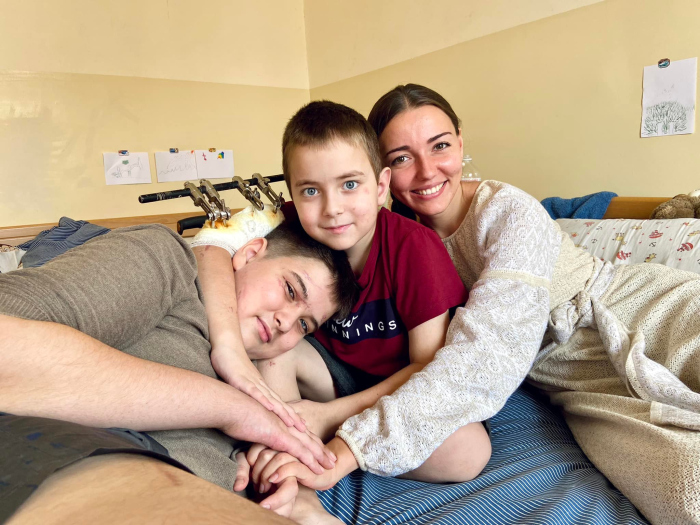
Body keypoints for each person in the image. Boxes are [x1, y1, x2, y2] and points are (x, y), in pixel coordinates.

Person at [266, 84, 699, 525]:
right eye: (402, 157)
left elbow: (486, 350)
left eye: (440, 146)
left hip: (634, 305)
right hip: (571, 379)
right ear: (384, 175)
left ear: (460, 143)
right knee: (683, 486)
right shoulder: (380, 231)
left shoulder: (508, 213)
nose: (426, 171)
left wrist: (349, 441)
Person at [194, 101, 492, 523]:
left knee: (469, 452)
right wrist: (228, 347)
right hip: (328, 377)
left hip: (400, 392)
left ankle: (293, 444)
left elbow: (427, 368)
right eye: (310, 191)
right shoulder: (285, 222)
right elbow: (208, 245)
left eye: (350, 184)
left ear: (381, 185)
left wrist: (326, 418)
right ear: (291, 194)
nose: (332, 208)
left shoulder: (413, 248)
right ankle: (298, 497)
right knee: (275, 351)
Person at [0, 220, 355, 523]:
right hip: (85, 462)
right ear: (250, 253)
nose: (286, 322)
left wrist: (264, 472)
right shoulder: (167, 259)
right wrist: (233, 410)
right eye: (290, 290)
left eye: (304, 325)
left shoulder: (264, 383)